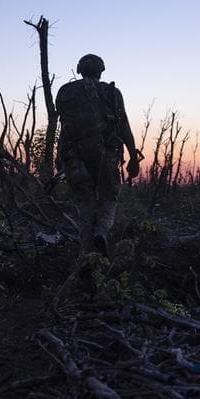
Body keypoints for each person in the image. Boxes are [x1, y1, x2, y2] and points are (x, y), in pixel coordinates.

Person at [55, 53, 142, 256]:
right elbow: (124, 127)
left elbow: (64, 129)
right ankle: (101, 231)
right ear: (101, 70)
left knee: (84, 202)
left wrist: (60, 158)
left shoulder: (65, 92)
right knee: (109, 197)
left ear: (79, 70)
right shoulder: (111, 92)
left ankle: (85, 253)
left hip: (73, 155)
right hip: (105, 154)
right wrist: (133, 157)